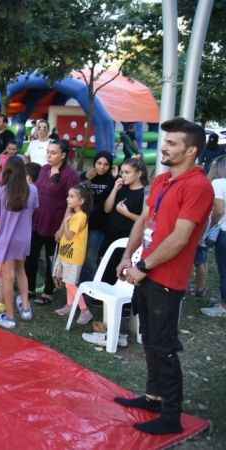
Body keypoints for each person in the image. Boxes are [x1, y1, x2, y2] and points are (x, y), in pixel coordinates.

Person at [115, 118, 213, 435]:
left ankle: (171, 416)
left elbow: (180, 238)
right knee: (150, 340)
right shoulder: (161, 180)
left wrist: (141, 268)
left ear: (191, 150)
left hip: (167, 281)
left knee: (164, 346)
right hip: (146, 274)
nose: (164, 146)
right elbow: (144, 220)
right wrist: (128, 256)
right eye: (165, 141)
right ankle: (154, 397)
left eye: (172, 143)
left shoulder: (198, 186)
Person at [81, 158, 148, 347]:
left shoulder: (144, 193)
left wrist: (127, 214)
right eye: (122, 172)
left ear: (139, 174)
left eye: (127, 172)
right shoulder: (122, 188)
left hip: (129, 246)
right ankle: (107, 329)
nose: (123, 176)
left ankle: (120, 333)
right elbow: (108, 208)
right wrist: (115, 189)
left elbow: (145, 221)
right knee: (108, 283)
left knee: (124, 287)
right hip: (111, 241)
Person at [0, 157, 39, 329]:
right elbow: (33, 211)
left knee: (7, 277)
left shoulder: (0, 192)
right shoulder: (32, 190)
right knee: (21, 271)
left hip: (6, 239)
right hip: (24, 238)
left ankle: (9, 317)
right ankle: (25, 308)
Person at [26, 139, 80, 305]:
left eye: (53, 152)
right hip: (37, 221)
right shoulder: (44, 169)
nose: (49, 155)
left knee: (52, 259)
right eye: (48, 152)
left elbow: (72, 204)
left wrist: (62, 227)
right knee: (31, 257)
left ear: (63, 155)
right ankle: (29, 288)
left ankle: (49, 291)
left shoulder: (70, 175)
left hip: (55, 224)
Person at [52, 184, 94, 324]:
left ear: (81, 201)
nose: (68, 199)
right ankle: (69, 306)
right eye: (68, 196)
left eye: (72, 196)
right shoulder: (74, 215)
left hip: (74, 257)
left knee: (70, 284)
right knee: (67, 282)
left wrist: (65, 222)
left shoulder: (80, 216)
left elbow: (69, 236)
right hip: (66, 254)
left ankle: (84, 311)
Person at [80, 152, 115, 282]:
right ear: (94, 163)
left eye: (106, 164)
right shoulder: (86, 177)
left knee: (91, 258)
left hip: (99, 226)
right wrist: (85, 179)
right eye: (99, 163)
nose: (102, 167)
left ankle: (91, 287)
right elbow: (78, 195)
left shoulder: (111, 181)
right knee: (81, 256)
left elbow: (103, 204)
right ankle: (80, 286)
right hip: (82, 224)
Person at [202, 155, 226, 317]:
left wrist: (211, 227)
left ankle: (223, 307)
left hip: (224, 231)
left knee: (224, 270)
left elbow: (218, 210)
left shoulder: (219, 183)